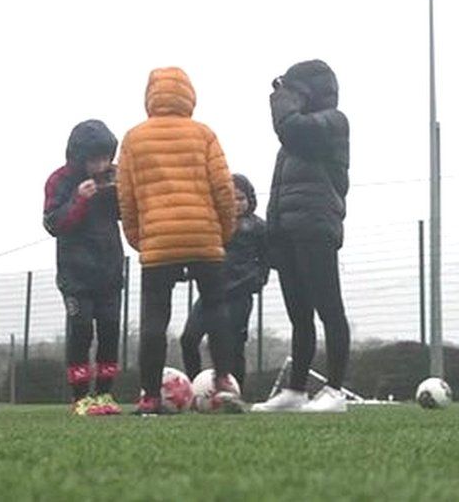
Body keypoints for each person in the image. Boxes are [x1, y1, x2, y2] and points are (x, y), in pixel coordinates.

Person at [116, 67, 240, 415]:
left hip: (158, 241)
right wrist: (224, 232)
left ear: (150, 96)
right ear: (189, 95)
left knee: (155, 318)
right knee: (217, 309)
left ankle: (151, 396)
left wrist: (140, 239)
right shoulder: (204, 134)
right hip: (204, 236)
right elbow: (223, 189)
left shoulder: (134, 138)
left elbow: (126, 198)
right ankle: (223, 384)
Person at [253, 60, 351, 413]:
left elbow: (291, 128)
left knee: (329, 308)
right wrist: (273, 232)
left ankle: (335, 391)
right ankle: (296, 392)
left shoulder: (332, 122)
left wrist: (282, 100)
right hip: (289, 231)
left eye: (295, 90)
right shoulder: (295, 138)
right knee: (299, 315)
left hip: (315, 227)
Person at [43, 120, 124, 416]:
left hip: (110, 269)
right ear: (78, 157)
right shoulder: (59, 181)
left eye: (105, 158)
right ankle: (80, 397)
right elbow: (53, 223)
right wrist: (79, 199)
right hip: (76, 273)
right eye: (94, 158)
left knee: (111, 331)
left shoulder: (115, 178)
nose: (100, 165)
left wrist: (120, 191)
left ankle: (105, 393)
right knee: (81, 330)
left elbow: (126, 214)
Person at [180, 174, 268, 392]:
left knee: (233, 346)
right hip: (211, 292)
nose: (236, 204)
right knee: (188, 338)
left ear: (250, 199)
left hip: (240, 294)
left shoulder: (258, 227)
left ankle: (233, 392)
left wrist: (258, 279)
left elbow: (267, 258)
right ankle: (195, 387)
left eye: (240, 198)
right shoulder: (213, 224)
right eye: (231, 198)